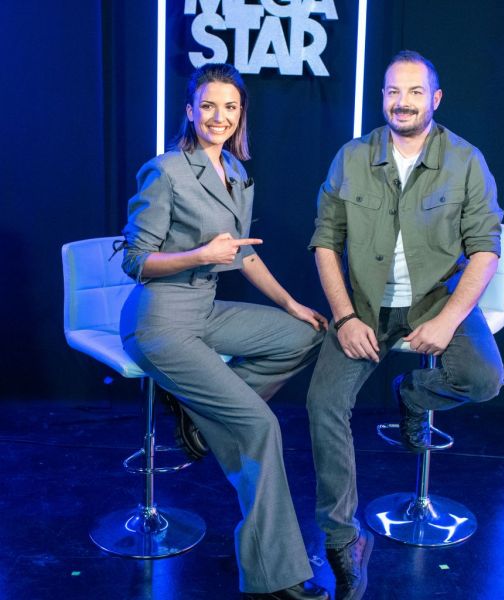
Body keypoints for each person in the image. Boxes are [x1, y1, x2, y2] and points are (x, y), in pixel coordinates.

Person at [120, 63, 329, 600]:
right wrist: (199, 254)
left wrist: (292, 303)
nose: (220, 116)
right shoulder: (165, 170)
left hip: (206, 311)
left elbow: (241, 255)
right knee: (260, 427)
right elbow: (136, 261)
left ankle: (197, 418)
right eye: (209, 105)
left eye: (230, 107)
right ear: (190, 110)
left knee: (305, 335)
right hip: (160, 322)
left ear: (241, 114)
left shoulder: (236, 171)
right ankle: (272, 575)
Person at [306, 50, 504, 599]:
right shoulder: (351, 157)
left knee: (484, 379)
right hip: (365, 306)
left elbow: (486, 250)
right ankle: (343, 540)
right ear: (383, 98)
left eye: (415, 92)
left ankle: (412, 394)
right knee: (323, 404)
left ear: (435, 99)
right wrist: (345, 316)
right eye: (394, 91)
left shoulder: (466, 160)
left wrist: (447, 319)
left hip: (435, 298)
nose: (403, 102)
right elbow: (325, 241)